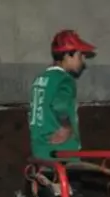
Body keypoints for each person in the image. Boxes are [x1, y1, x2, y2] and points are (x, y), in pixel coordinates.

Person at [29, 30, 95, 161]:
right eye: (80, 55)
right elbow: (60, 105)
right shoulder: (64, 80)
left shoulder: (41, 79)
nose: (83, 60)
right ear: (67, 55)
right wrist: (66, 126)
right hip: (62, 151)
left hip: (41, 148)